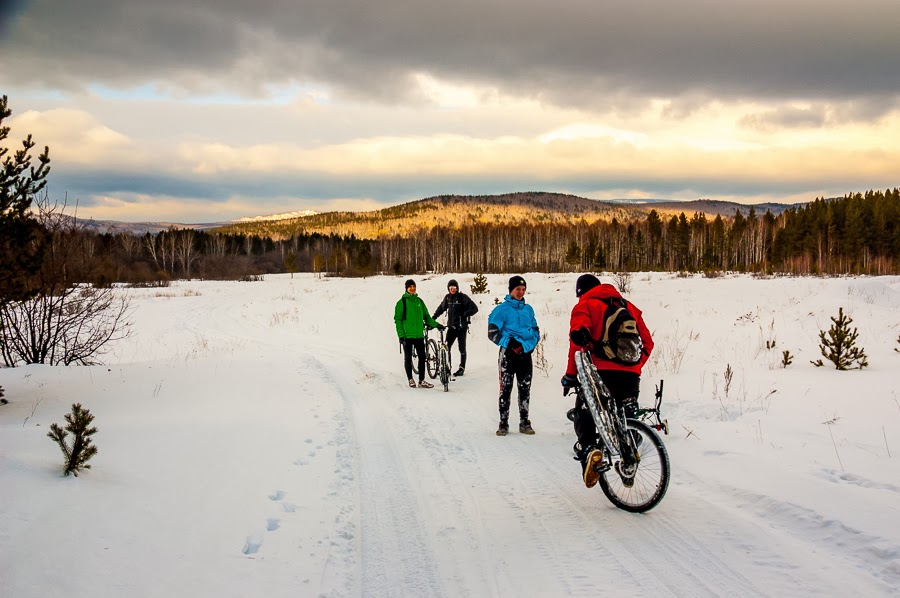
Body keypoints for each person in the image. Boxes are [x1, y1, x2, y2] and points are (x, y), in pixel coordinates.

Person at [561, 274, 654, 488]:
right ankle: (629, 459)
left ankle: (589, 450)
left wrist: (571, 376)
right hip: (631, 375)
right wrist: (635, 366)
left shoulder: (585, 305)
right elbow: (648, 342)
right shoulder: (628, 306)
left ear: (580, 292)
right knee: (625, 416)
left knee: (583, 410)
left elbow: (577, 343)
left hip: (601, 372)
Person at [487, 275, 540, 436]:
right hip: (508, 356)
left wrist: (529, 346)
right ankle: (503, 423)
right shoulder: (501, 310)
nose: (521, 292)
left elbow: (536, 331)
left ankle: (524, 422)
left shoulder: (528, 309)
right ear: (511, 290)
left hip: (525, 355)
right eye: (518, 289)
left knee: (525, 389)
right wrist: (509, 344)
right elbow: (492, 333)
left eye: (523, 289)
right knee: (506, 389)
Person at [394, 279, 443, 389]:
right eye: (410, 286)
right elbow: (398, 320)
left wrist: (437, 325)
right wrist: (401, 336)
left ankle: (421, 380)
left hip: (419, 335)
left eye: (413, 286)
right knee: (408, 358)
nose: (412, 288)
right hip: (407, 336)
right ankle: (410, 379)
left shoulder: (419, 301)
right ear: (406, 288)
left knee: (422, 357)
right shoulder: (402, 302)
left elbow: (427, 317)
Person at [432, 278, 479, 377]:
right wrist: (434, 317)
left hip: (461, 328)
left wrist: (465, 314)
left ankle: (461, 368)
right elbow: (441, 308)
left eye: (454, 287)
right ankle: (447, 367)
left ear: (457, 288)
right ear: (448, 289)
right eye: (450, 287)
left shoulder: (462, 297)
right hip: (451, 327)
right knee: (446, 348)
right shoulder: (448, 298)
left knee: (462, 348)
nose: (452, 289)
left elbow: (474, 308)